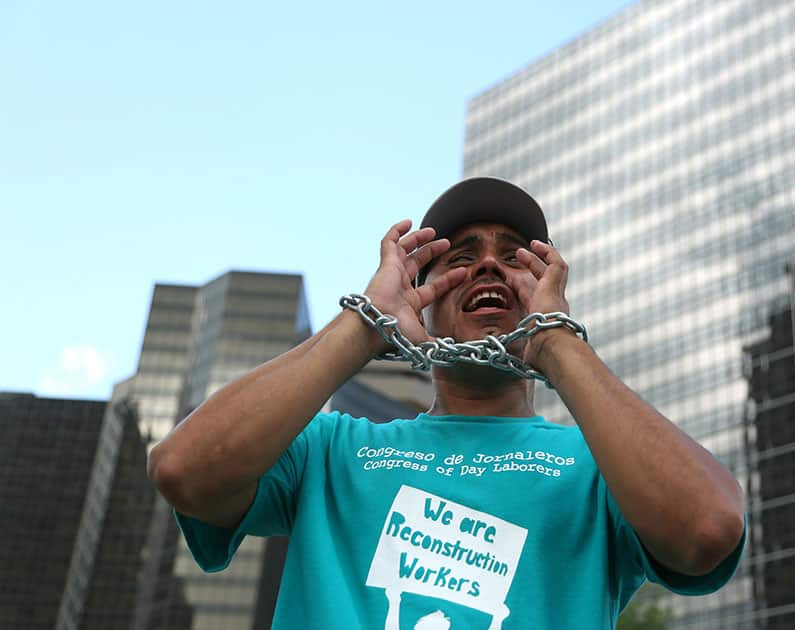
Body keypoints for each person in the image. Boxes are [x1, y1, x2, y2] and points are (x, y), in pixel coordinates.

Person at [148, 177, 746, 629]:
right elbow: (184, 469)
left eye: (515, 257)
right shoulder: (330, 451)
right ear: (425, 303)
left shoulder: (599, 468)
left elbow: (707, 530)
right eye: (460, 258)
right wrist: (366, 324)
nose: (489, 263)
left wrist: (557, 341)